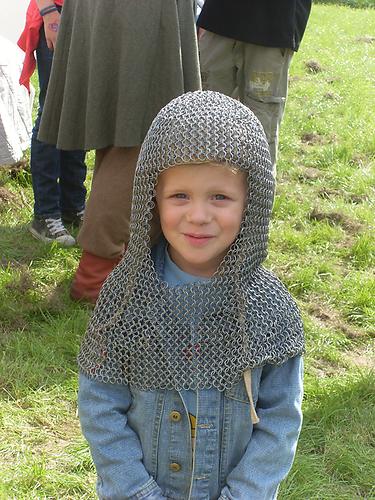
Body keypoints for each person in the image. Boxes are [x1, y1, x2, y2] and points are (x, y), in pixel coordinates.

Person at [77, 91, 304, 499]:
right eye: (180, 195)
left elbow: (280, 420)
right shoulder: (128, 296)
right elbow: (100, 407)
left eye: (220, 196)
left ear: (250, 203)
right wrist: (138, 492)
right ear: (153, 199)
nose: (198, 215)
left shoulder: (268, 309)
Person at [34, 0, 201, 301]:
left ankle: (132, 263)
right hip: (140, 14)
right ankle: (97, 274)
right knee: (140, 139)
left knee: (135, 137)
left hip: (110, 12)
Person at [197, 0, 312, 174]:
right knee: (204, 124)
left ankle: (256, 200)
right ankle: (205, 193)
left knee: (260, 134)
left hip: (274, 25)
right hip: (218, 18)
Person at [18, 0, 87, 246]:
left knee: (77, 114)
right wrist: (49, 14)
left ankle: (73, 205)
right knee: (53, 114)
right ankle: (45, 215)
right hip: (56, 13)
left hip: (85, 15)